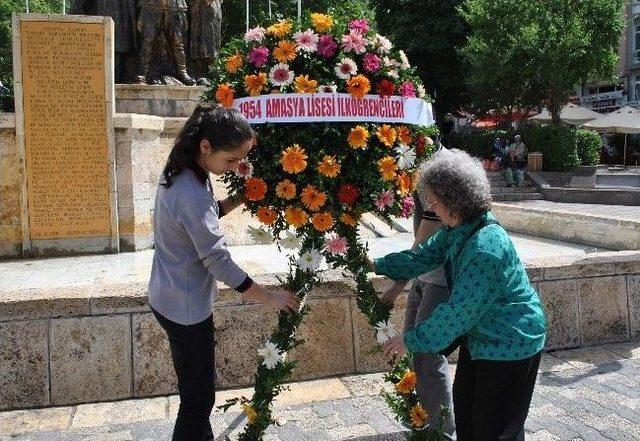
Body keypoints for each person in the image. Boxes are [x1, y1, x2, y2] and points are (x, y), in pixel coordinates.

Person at [370, 149, 546, 440]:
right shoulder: (460, 228)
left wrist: (408, 340)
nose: (430, 207)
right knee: (467, 416)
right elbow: (421, 257)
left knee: (495, 429)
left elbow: (457, 313)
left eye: (433, 201)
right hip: (482, 340)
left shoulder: (484, 248)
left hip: (511, 342)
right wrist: (376, 264)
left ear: (453, 202)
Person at [148, 104, 300, 441]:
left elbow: (201, 219)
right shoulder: (191, 190)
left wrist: (239, 198)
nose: (235, 167)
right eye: (230, 160)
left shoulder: (183, 171)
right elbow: (217, 261)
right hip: (185, 309)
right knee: (197, 400)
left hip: (167, 295)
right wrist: (270, 297)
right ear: (205, 146)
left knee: (195, 392)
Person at [381, 190, 456, 439]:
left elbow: (425, 238)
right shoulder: (420, 172)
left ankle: (442, 433)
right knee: (418, 357)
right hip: (425, 277)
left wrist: (394, 285)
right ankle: (426, 422)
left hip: (439, 280)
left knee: (428, 356)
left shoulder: (437, 173)